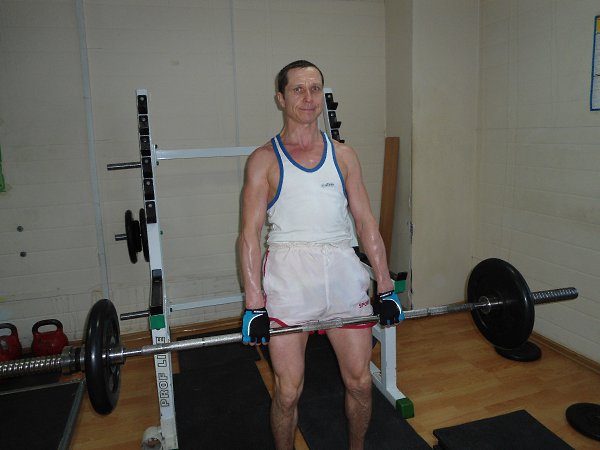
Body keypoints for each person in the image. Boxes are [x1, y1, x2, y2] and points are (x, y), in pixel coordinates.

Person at [238, 60, 404, 450]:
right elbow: (249, 235)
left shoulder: (344, 155)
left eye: (315, 88)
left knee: (360, 382)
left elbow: (365, 222)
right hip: (289, 276)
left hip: (342, 270)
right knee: (288, 391)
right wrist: (253, 304)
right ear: (281, 98)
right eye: (298, 89)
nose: (308, 97)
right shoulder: (264, 159)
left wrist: (385, 284)